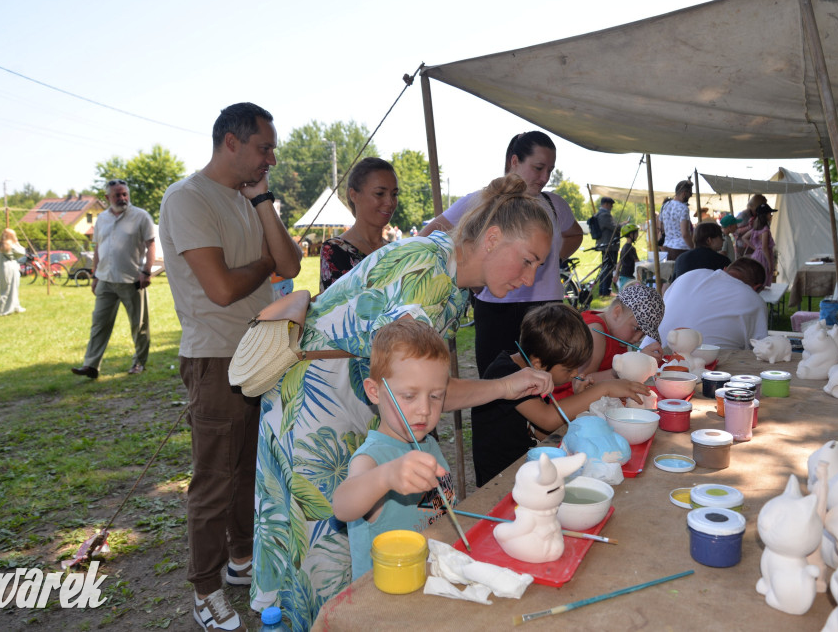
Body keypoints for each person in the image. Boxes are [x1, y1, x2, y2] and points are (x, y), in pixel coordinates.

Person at [253, 174, 556, 631]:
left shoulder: (453, 280)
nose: (531, 277)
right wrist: (504, 386)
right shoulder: (426, 275)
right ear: (492, 239)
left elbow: (422, 384)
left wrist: (505, 385)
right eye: (528, 261)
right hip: (314, 415)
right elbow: (414, 383)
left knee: (361, 545)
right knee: (321, 562)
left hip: (352, 407)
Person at [158, 102, 302, 632]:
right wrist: (265, 261)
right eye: (264, 148)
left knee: (248, 470)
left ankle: (242, 561)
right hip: (215, 354)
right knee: (214, 478)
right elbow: (220, 289)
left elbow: (290, 265)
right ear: (231, 142)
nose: (270, 157)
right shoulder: (187, 198)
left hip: (260, 350)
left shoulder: (251, 198)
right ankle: (205, 589)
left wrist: (263, 202)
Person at [419, 131, 583, 376]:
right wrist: (469, 277)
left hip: (546, 306)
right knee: (496, 381)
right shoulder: (483, 200)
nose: (544, 177)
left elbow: (574, 234)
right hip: (498, 308)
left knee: (544, 381)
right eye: (538, 167)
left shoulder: (554, 204)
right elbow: (428, 236)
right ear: (514, 162)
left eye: (550, 170)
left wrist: (545, 261)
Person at [473, 303, 650, 487]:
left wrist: (577, 397)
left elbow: (542, 432)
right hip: (501, 478)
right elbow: (546, 419)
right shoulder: (506, 374)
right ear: (538, 363)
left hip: (529, 465)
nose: (574, 374)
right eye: (569, 368)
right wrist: (603, 388)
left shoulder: (537, 371)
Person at [332, 319, 454, 580]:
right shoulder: (371, 458)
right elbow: (342, 506)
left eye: (435, 396)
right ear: (374, 392)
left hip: (432, 579)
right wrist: (387, 476)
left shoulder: (429, 444)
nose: (425, 409)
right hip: (384, 597)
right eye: (409, 396)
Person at [71, 179, 155, 379]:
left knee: (139, 324)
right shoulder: (101, 219)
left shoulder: (141, 216)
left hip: (132, 279)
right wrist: (94, 276)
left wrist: (147, 271)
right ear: (107, 197)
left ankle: (139, 362)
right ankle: (91, 365)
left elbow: (151, 244)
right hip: (105, 279)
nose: (123, 198)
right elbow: (98, 247)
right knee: (99, 324)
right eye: (117, 195)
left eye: (125, 194)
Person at [642, 258, 769, 351]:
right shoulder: (754, 300)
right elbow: (761, 350)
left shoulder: (690, 275)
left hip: (646, 357)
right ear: (757, 288)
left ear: (725, 270)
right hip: (706, 373)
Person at [320, 157, 399, 291]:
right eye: (380, 194)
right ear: (354, 195)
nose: (390, 202)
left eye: (394, 194)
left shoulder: (396, 251)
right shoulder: (335, 250)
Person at [0, 228, 26, 316]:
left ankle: (16, 306)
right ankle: (4, 311)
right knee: (11, 289)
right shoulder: (11, 245)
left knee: (4, 289)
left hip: (0, 269)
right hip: (11, 268)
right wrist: (17, 242)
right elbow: (22, 252)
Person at [740, 203, 776, 287]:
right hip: (763, 257)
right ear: (765, 215)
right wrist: (770, 263)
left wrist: (755, 248)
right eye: (769, 214)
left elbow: (744, 237)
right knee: (763, 278)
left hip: (756, 255)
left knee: (756, 278)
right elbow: (764, 247)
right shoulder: (765, 230)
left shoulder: (755, 229)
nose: (771, 216)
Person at [660, 180, 694, 261]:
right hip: (681, 249)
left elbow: (661, 227)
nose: (691, 196)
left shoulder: (665, 206)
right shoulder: (683, 208)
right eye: (690, 193)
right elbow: (685, 234)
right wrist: (693, 248)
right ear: (684, 193)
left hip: (667, 247)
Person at [596, 196, 618, 296]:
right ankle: (606, 291)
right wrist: (624, 224)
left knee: (606, 268)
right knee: (608, 269)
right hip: (608, 245)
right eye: (610, 205)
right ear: (606, 204)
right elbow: (613, 227)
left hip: (605, 245)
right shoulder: (604, 215)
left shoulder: (600, 214)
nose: (611, 207)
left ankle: (604, 290)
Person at [734, 194, 767, 259]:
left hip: (753, 247)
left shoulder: (757, 215)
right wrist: (749, 227)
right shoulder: (744, 215)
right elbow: (735, 231)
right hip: (743, 248)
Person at [617, 223, 641, 290]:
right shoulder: (631, 248)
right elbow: (637, 262)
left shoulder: (624, 247)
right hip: (629, 277)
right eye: (636, 233)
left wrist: (616, 273)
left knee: (622, 293)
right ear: (631, 234)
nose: (637, 235)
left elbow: (620, 261)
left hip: (623, 275)